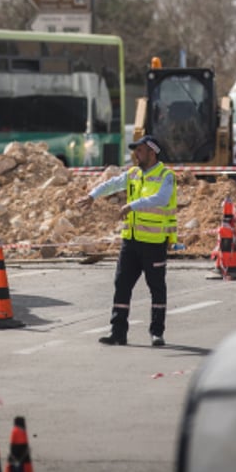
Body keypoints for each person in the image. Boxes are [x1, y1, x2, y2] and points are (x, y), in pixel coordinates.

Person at [75, 134, 177, 347]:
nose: (136, 154)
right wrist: (92, 196)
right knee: (122, 285)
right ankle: (118, 332)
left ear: (152, 152)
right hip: (131, 241)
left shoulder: (166, 176)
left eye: (139, 150)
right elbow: (112, 184)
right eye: (135, 150)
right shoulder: (133, 174)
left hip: (154, 241)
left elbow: (162, 199)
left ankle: (157, 333)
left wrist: (132, 205)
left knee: (156, 287)